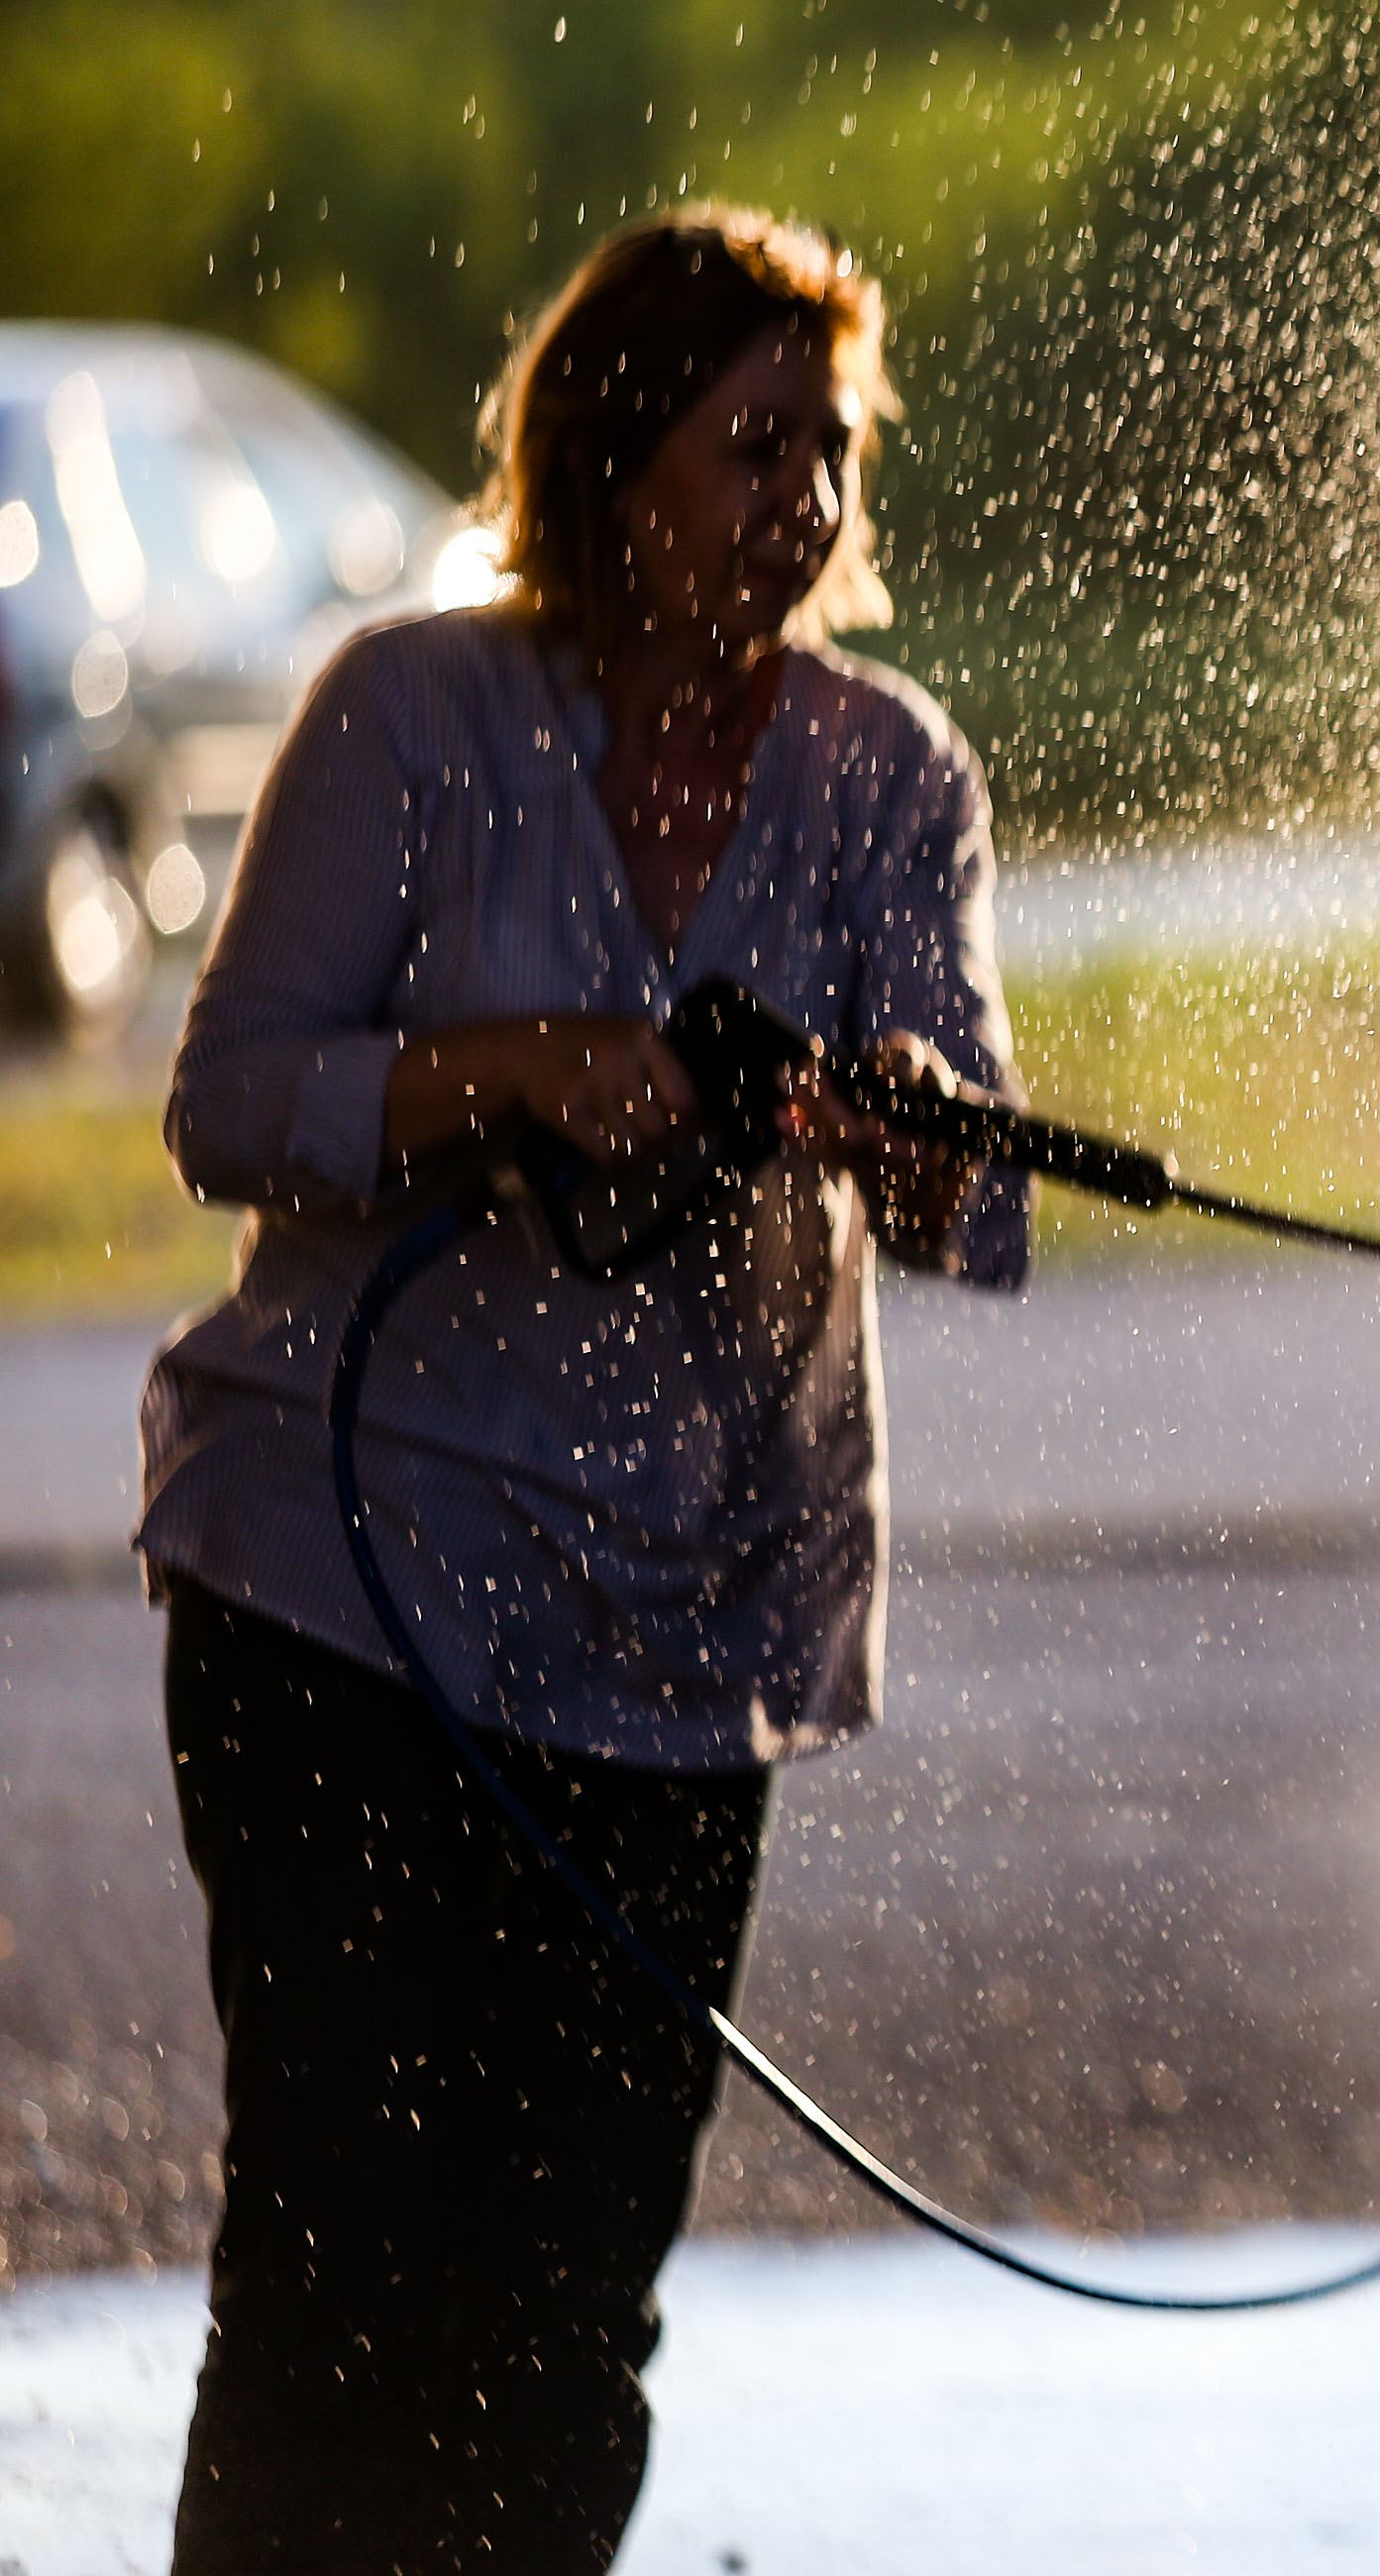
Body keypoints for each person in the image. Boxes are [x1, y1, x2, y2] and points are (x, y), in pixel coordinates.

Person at [133, 204, 1028, 2573]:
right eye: (757, 449)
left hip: (672, 1653)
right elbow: (231, 1102)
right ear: (617, 453)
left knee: (560, 2304)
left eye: (827, 452)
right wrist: (507, 1068)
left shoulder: (888, 774)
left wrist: (913, 1125)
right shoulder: (413, 717)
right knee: (342, 2257)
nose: (805, 505)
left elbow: (981, 1216)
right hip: (340, 1590)